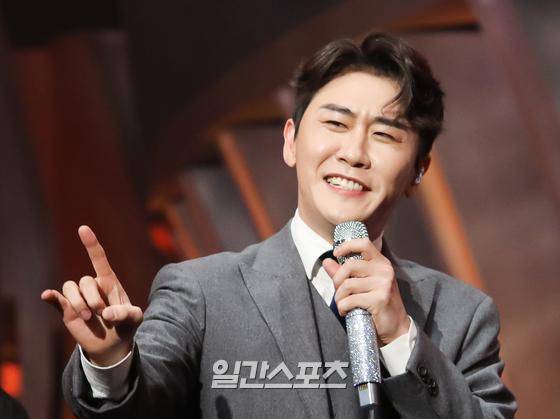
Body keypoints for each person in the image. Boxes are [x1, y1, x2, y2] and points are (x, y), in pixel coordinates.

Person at [42, 33, 517, 418]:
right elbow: (144, 404)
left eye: (385, 134)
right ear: (291, 141)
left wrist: (399, 339)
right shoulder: (203, 293)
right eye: (336, 124)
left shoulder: (461, 314)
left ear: (418, 169)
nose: (354, 153)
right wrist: (112, 362)